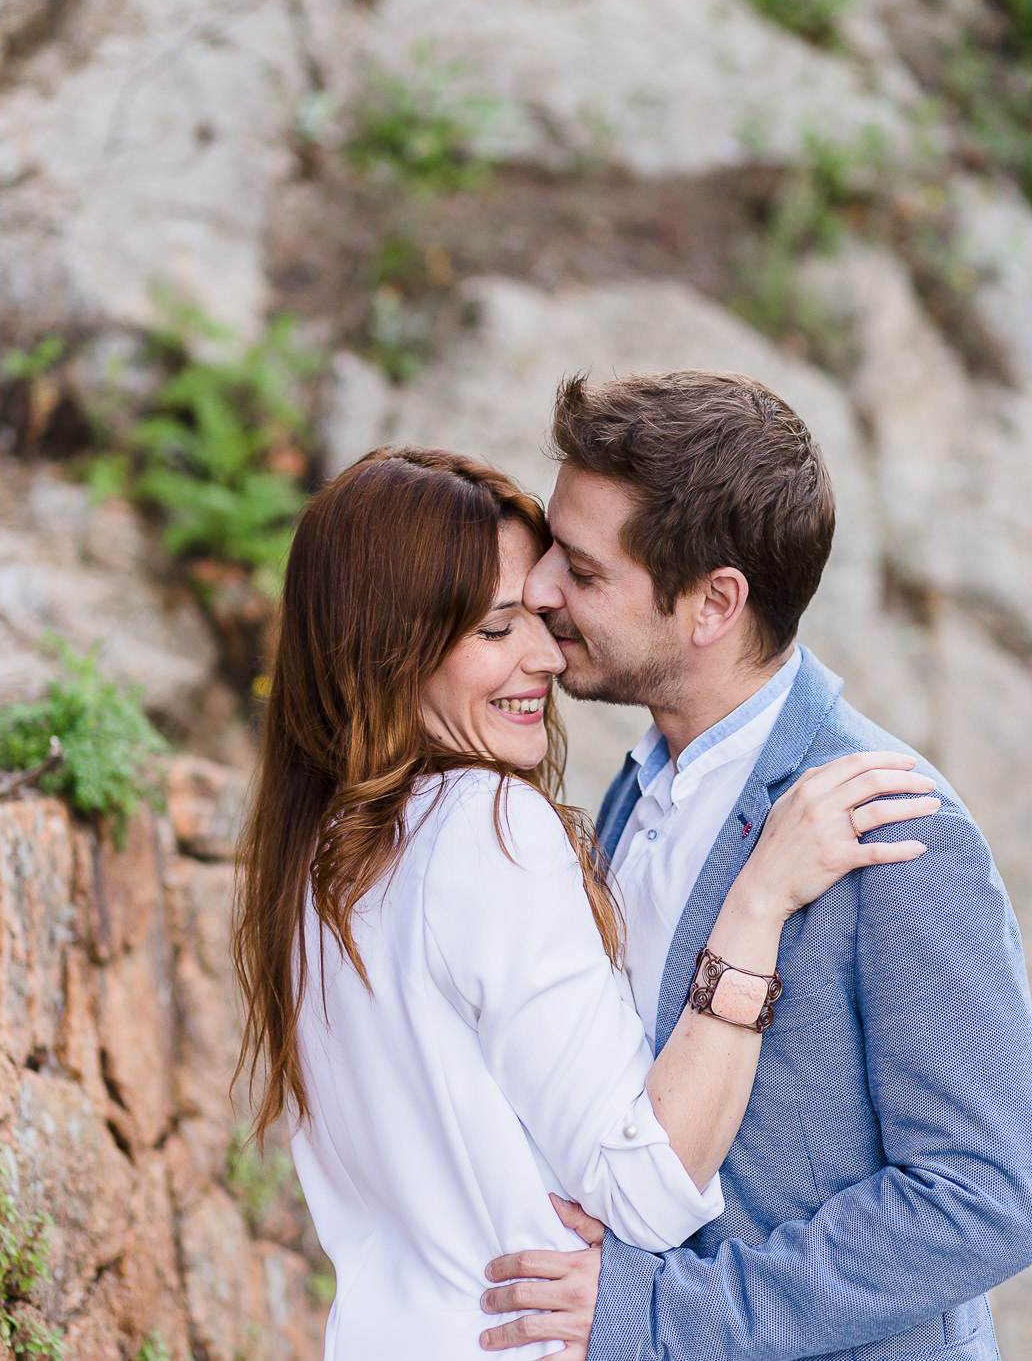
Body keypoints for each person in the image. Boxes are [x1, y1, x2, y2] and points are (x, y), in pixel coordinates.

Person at [234, 446, 937, 1357]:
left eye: (536, 611)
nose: (542, 652)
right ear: (389, 650)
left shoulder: (322, 852)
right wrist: (756, 902)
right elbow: (642, 1193)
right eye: (495, 631)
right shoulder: (487, 828)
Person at [477, 370, 1032, 1361]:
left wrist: (661, 1311)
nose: (539, 588)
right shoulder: (637, 786)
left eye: (584, 569)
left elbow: (985, 1199)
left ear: (712, 603)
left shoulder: (897, 831)